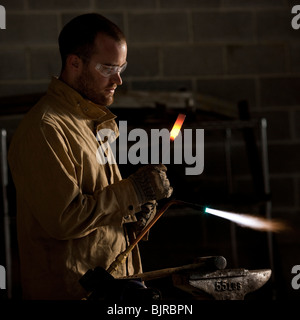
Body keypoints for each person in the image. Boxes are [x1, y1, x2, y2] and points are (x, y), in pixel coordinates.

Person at [8, 13, 173, 300]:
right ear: (74, 63)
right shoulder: (45, 128)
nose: (119, 80)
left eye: (121, 67)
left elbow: (98, 209)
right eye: (108, 68)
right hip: (73, 292)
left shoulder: (90, 120)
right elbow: (65, 219)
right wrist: (134, 189)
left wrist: (133, 214)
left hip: (113, 286)